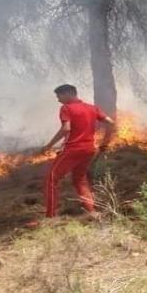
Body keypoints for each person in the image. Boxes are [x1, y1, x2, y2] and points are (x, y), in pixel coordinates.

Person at [39, 84, 114, 220]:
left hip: (73, 149)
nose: (58, 100)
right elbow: (111, 122)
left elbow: (66, 128)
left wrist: (49, 145)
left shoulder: (66, 108)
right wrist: (105, 143)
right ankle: (92, 212)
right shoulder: (93, 108)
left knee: (51, 179)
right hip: (89, 150)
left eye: (59, 96)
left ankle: (50, 217)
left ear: (68, 93)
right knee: (80, 180)